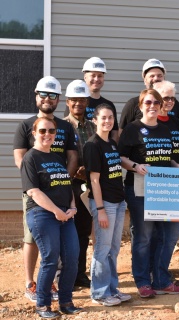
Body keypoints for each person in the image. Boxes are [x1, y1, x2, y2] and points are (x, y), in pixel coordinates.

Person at [13, 76, 77, 303]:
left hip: (60, 189)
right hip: (35, 191)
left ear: (58, 99)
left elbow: (72, 156)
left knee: (58, 240)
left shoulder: (66, 127)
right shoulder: (25, 125)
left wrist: (61, 180)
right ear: (36, 95)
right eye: (43, 94)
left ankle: (52, 281)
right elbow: (20, 158)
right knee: (32, 237)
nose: (47, 99)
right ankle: (30, 282)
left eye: (52, 95)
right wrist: (36, 182)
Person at [118, 89, 179, 298]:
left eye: (156, 102)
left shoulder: (166, 129)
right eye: (148, 102)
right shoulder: (132, 129)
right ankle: (143, 281)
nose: (152, 105)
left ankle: (161, 280)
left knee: (170, 234)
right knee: (144, 237)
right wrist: (135, 166)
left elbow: (168, 159)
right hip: (139, 189)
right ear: (140, 106)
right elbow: (120, 157)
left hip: (165, 188)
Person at [21, 117, 81, 318]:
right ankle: (42, 304)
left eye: (52, 131)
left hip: (65, 213)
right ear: (34, 133)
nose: (48, 135)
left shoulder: (56, 157)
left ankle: (66, 301)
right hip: (42, 214)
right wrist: (56, 211)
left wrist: (72, 207)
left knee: (72, 257)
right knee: (50, 258)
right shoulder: (30, 158)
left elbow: (66, 184)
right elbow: (34, 192)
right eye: (43, 131)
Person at [83, 104, 131, 307]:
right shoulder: (92, 145)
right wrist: (100, 209)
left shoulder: (111, 143)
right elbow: (94, 181)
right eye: (103, 118)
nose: (107, 121)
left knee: (113, 249)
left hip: (118, 202)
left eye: (110, 117)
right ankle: (99, 293)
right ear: (95, 120)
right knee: (102, 249)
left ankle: (112, 289)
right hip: (105, 205)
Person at [63, 80, 96, 289]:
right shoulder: (61, 126)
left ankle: (80, 274)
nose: (78, 103)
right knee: (67, 232)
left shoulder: (94, 125)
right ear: (67, 102)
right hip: (69, 184)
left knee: (83, 231)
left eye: (82, 99)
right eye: (74, 99)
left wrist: (90, 170)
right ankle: (67, 274)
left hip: (89, 185)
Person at [63, 57, 120, 142]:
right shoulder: (76, 104)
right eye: (93, 75)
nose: (96, 79)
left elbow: (114, 133)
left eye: (100, 76)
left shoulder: (109, 105)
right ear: (85, 77)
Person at [119, 58, 179, 133]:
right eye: (152, 76)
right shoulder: (133, 103)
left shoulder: (174, 103)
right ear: (145, 80)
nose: (156, 78)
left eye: (159, 76)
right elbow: (121, 133)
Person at [154, 81, 179, 163]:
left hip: (174, 172)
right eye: (166, 98)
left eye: (173, 98)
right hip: (154, 172)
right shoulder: (150, 121)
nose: (170, 101)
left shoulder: (176, 122)